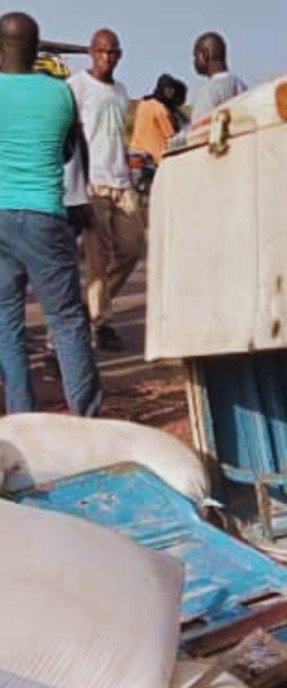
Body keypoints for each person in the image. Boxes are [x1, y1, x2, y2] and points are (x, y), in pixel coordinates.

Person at [0, 12, 102, 416]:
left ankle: (22, 418)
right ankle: (86, 420)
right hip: (44, 215)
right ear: (37, 47)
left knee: (7, 323)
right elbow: (66, 153)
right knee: (66, 320)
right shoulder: (60, 93)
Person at [69, 27, 142, 353]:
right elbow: (69, 136)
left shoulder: (122, 91)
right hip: (93, 182)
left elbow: (120, 138)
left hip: (121, 180)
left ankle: (95, 307)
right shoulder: (77, 86)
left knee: (132, 248)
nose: (106, 58)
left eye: (112, 52)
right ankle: (100, 322)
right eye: (101, 51)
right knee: (97, 258)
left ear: (120, 55)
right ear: (90, 52)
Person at [129, 73, 185, 165]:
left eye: (172, 90)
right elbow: (172, 139)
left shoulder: (143, 103)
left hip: (135, 153)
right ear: (161, 88)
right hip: (154, 159)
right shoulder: (161, 109)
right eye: (168, 89)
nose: (171, 93)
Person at [190, 32, 247, 121]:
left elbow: (199, 130)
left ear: (205, 55)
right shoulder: (241, 86)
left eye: (195, 56)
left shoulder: (207, 92)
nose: (194, 62)